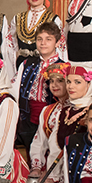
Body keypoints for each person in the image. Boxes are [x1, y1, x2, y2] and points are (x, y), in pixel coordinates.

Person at [29, 63, 92, 183]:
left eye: (60, 81)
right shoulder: (62, 111)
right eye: (69, 82)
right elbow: (50, 144)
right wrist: (43, 170)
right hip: (57, 169)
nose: (71, 86)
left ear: (89, 84)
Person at [13, 22, 65, 151]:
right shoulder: (26, 64)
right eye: (39, 39)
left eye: (48, 39)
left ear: (57, 43)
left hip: (52, 119)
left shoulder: (64, 67)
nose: (43, 43)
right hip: (28, 119)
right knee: (31, 153)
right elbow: (15, 91)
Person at [27, 63, 72, 179]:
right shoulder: (48, 110)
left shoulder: (77, 110)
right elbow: (39, 141)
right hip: (50, 168)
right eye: (51, 81)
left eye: (60, 81)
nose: (54, 85)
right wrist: (36, 167)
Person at [12, 0, 63, 71]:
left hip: (45, 65)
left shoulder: (53, 19)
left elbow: (61, 47)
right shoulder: (17, 18)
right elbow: (11, 46)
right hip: (22, 65)